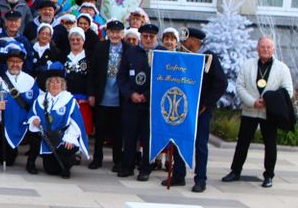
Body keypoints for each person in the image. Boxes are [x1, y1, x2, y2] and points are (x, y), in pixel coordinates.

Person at [223, 37, 292, 188]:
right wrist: (253, 101)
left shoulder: (282, 68)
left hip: (269, 113)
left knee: (270, 145)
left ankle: (269, 176)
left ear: (273, 49)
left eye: (268, 47)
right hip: (250, 110)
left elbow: (288, 91)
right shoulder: (247, 65)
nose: (265, 50)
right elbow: (239, 86)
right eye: (262, 47)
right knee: (242, 142)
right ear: (257, 48)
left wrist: (269, 101)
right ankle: (235, 171)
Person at [165, 27, 227, 193]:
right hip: (182, 107)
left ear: (195, 41)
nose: (183, 42)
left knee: (200, 144)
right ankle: (178, 174)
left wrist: (205, 103)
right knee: (178, 140)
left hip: (201, 110)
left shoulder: (209, 57)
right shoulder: (181, 55)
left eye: (186, 39)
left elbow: (221, 83)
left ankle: (200, 179)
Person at [27, 62, 89, 178]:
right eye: (52, 82)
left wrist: (70, 138)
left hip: (63, 138)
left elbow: (75, 122)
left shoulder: (69, 100)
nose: (55, 84)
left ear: (63, 84)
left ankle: (67, 164)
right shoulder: (40, 100)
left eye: (58, 82)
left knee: (67, 150)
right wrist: (34, 119)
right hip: (46, 139)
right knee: (51, 170)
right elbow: (31, 115)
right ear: (47, 84)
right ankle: (31, 163)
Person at [117, 23, 158, 180]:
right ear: (140, 37)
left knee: (147, 137)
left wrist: (146, 95)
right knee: (129, 136)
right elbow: (122, 76)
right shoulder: (131, 52)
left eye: (151, 36)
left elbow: (162, 80)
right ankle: (127, 166)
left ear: (156, 38)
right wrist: (130, 93)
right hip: (131, 102)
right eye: (145, 36)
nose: (148, 39)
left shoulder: (161, 53)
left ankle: (145, 168)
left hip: (150, 103)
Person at [0, 45, 39, 171]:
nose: (15, 64)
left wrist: (34, 118)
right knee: (7, 160)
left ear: (22, 63)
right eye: (12, 61)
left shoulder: (30, 81)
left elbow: (37, 104)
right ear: (7, 63)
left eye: (18, 61)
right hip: (7, 124)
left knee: (37, 132)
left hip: (26, 122)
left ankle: (31, 162)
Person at [87, 19, 125, 171]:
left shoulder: (128, 49)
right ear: (107, 33)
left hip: (120, 97)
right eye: (112, 32)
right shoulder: (100, 47)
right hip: (102, 94)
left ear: (122, 34)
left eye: (118, 32)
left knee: (118, 132)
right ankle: (97, 158)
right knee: (100, 130)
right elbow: (92, 72)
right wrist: (91, 93)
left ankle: (117, 160)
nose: (115, 35)